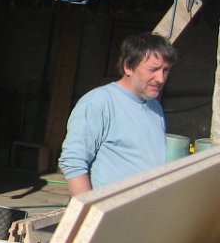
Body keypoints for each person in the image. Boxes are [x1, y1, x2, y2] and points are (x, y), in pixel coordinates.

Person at [58, 33, 177, 196]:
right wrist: (88, 209)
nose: (161, 79)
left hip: (145, 208)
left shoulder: (155, 108)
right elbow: (73, 162)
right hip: (109, 209)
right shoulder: (98, 102)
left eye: (166, 70)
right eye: (153, 69)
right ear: (128, 66)